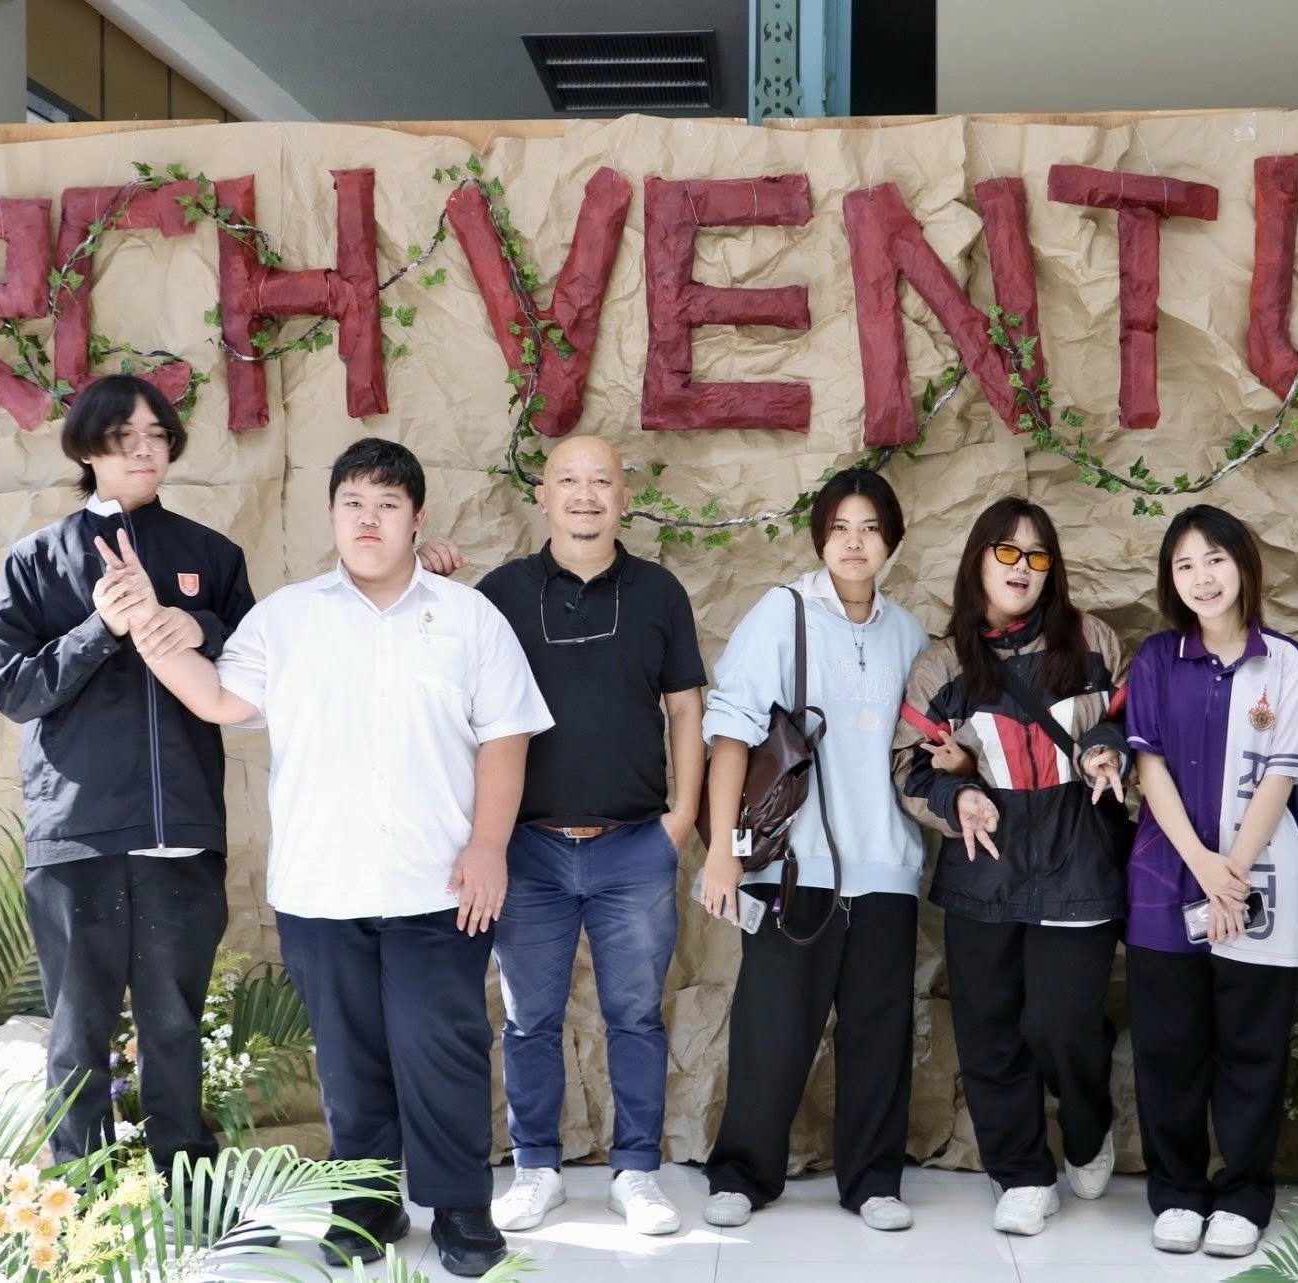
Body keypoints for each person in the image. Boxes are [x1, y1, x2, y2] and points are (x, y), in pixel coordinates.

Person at [135, 437, 553, 1278]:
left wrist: (488, 847)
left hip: (440, 885)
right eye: (354, 502)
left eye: (388, 504)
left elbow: (506, 737)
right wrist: (147, 628)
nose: (370, 519)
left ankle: (462, 1209)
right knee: (349, 1058)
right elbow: (218, 697)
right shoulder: (286, 618)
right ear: (331, 514)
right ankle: (366, 1203)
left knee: (444, 1049)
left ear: (417, 518)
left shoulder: (468, 617)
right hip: (321, 886)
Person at [0, 373, 252, 1181]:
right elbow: (15, 690)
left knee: (174, 1023)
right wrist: (101, 626)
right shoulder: (37, 560)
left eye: (157, 435)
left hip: (183, 831)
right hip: (79, 833)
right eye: (124, 436)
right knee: (78, 1031)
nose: (144, 449)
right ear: (87, 447)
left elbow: (257, 665)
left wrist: (195, 623)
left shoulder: (212, 555)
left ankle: (187, 1190)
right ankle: (84, 1197)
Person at [470, 435, 706, 1236]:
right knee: (529, 1018)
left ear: (623, 497)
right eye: (567, 479)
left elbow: (686, 709)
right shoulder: (499, 594)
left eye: (600, 480)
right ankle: (536, 1166)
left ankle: (636, 1172)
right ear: (542, 495)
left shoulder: (659, 592)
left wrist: (681, 818)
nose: (584, 494)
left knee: (635, 1016)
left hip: (634, 843)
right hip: (528, 848)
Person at [696, 469, 930, 1233]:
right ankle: (742, 1174)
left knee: (879, 1034)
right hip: (794, 866)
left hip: (887, 866)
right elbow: (731, 730)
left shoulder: (910, 634)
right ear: (820, 537)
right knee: (771, 1030)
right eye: (839, 527)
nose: (854, 542)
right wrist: (726, 851)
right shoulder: (783, 612)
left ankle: (873, 1181)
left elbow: (925, 747)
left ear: (892, 540)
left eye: (870, 528)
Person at [891, 496, 1130, 1237]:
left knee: (1063, 1021)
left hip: (1076, 856)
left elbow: (1133, 723)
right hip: (984, 863)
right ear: (978, 562)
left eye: (1036, 555)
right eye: (1006, 551)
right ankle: (1021, 1173)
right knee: (990, 1029)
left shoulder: (1093, 642)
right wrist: (957, 795)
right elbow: (908, 767)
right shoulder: (941, 664)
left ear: (1052, 569)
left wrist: (1110, 751)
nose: (1021, 567)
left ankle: (1087, 1127)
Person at [1122, 505, 1298, 1258]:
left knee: (1252, 1044)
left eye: (1214, 559)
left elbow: (1282, 776)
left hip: (1258, 875)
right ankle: (1176, 1191)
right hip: (1166, 873)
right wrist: (1204, 866)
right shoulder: (1156, 658)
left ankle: (1243, 1194)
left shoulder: (1287, 663)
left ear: (1243, 565)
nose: (1202, 577)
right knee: (1168, 1046)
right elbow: (1149, 767)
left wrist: (1232, 870)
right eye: (1185, 565)